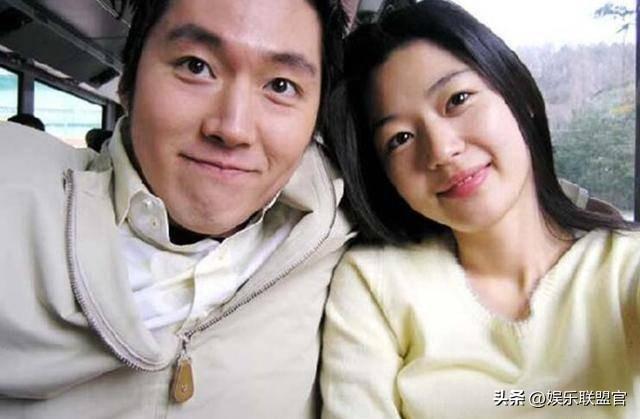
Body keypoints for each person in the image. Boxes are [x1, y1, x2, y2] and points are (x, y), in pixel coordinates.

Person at [0, 0, 352, 417]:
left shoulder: (337, 238)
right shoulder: (18, 201)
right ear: (127, 82)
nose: (233, 128)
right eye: (196, 66)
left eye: (280, 86)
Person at [321, 1, 640, 418]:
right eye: (400, 138)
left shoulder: (625, 266)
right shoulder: (376, 283)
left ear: (519, 95)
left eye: (458, 99)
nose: (441, 150)